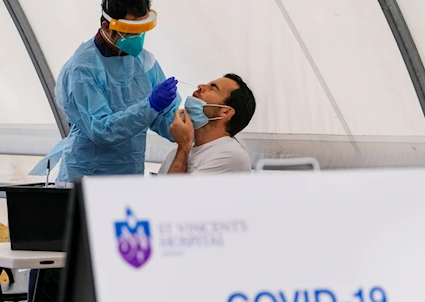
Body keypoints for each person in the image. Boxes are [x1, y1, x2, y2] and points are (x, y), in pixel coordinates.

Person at [31, 0, 180, 181]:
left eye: (141, 31)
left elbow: (165, 118)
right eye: (130, 32)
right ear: (106, 26)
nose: (137, 38)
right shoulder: (82, 69)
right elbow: (102, 130)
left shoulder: (144, 62)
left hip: (129, 171)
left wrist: (199, 121)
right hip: (87, 173)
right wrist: (150, 106)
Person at [158, 74, 256, 174]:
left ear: (225, 112)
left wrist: (183, 146)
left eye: (212, 88)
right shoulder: (176, 153)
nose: (200, 86)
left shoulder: (232, 156)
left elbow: (173, 190)